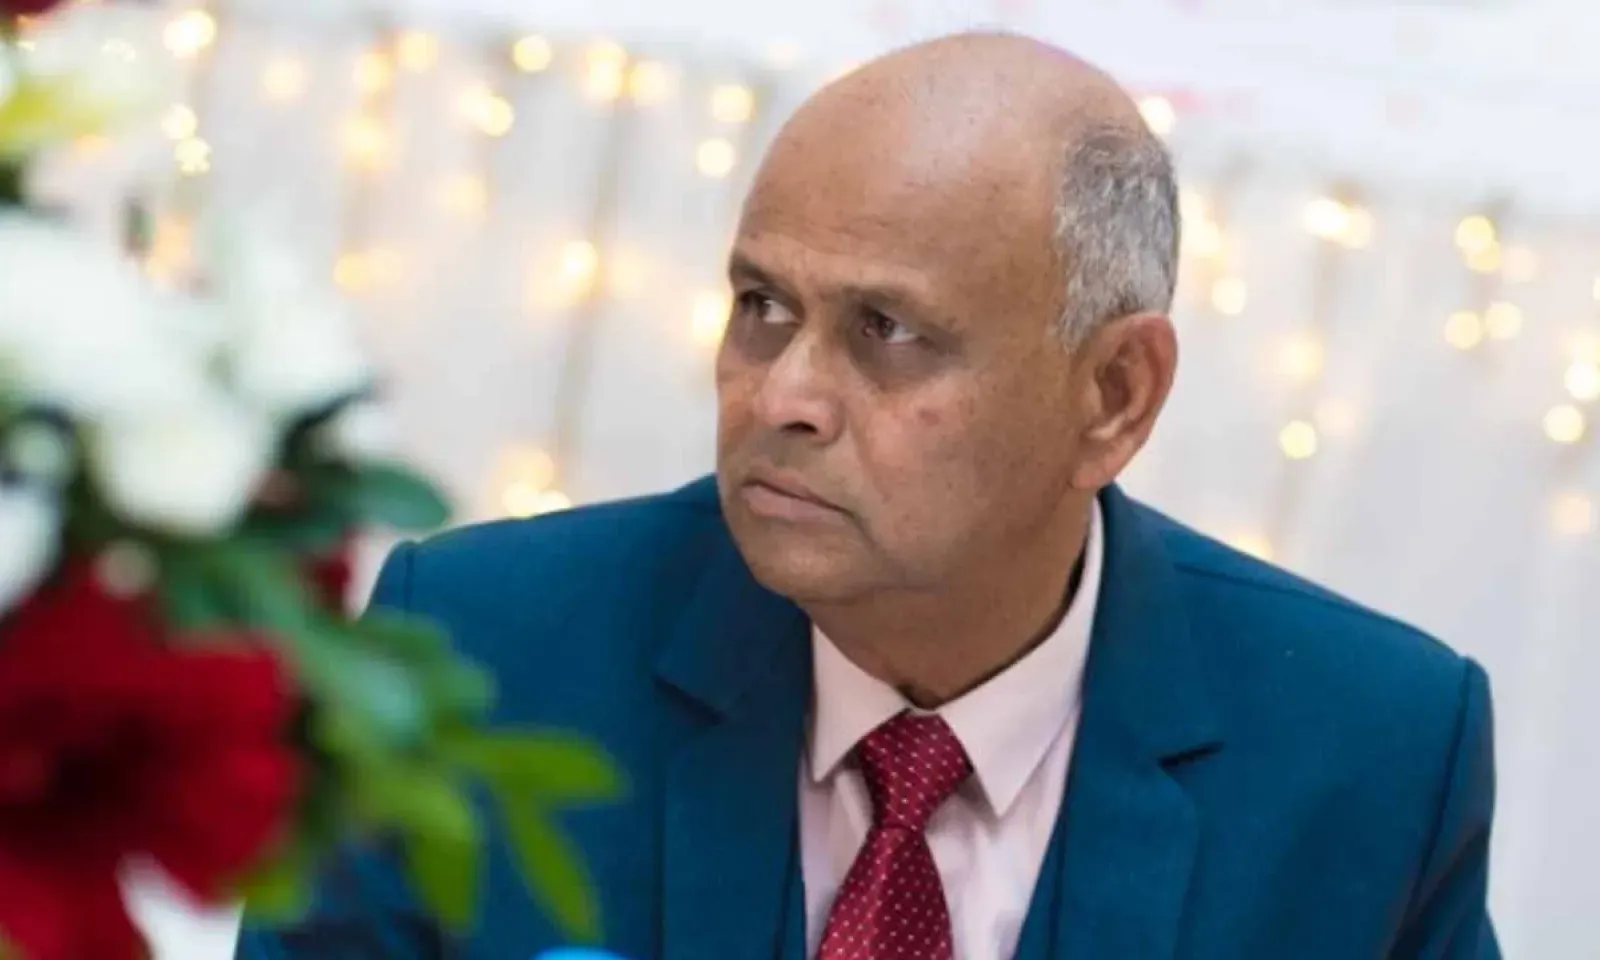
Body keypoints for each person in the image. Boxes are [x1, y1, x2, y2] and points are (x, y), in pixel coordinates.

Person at [238, 31, 1498, 960]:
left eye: (887, 331)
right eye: (761, 306)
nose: (783, 395)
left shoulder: (1370, 754)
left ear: (1113, 396)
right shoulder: (482, 647)